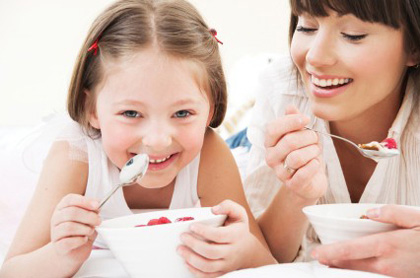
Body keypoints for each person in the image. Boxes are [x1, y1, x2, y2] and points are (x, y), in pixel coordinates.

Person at [0, 0, 275, 277]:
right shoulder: (76, 154)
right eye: (131, 113)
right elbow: (12, 270)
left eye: (182, 113)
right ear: (91, 109)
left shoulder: (210, 154)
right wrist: (59, 256)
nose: (157, 140)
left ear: (210, 109)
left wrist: (244, 251)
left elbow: (271, 265)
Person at [243, 0, 420, 277]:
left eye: (352, 35)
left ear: (414, 46)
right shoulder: (282, 90)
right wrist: (296, 193)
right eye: (307, 26)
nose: (315, 57)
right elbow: (259, 254)